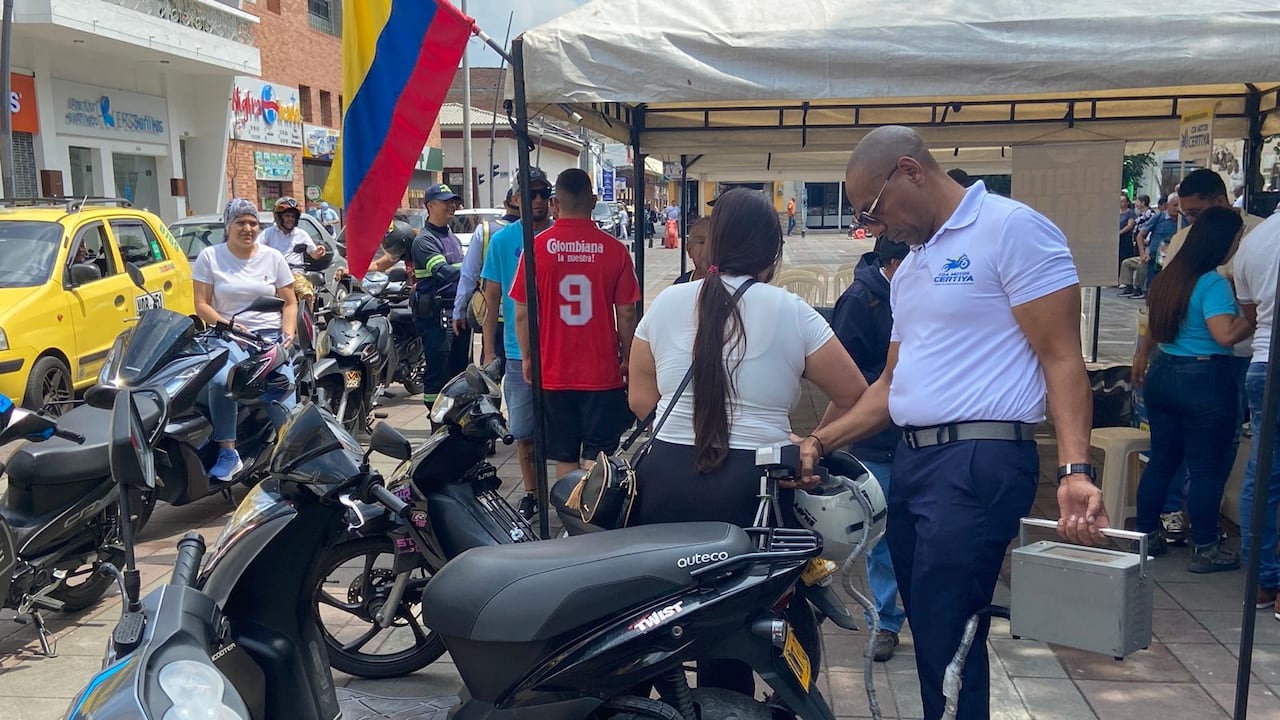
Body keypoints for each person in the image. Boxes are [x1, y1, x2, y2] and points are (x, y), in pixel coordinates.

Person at [803, 126, 1107, 720]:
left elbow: (1062, 357)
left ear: (911, 171)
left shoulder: (1011, 229)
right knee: (937, 628)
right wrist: (818, 440)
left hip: (979, 458)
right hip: (915, 461)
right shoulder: (912, 268)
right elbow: (890, 386)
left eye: (875, 209)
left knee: (946, 624)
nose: (877, 227)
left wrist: (1075, 469)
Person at [628, 187, 867, 696]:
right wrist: (813, 441)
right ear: (772, 251)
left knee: (655, 614)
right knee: (729, 625)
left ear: (712, 246)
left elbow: (640, 395)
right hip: (753, 485)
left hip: (665, 476)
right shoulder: (792, 311)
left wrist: (689, 429)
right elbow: (854, 394)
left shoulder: (668, 302)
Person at [1131, 207, 1254, 571]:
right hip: (1204, 378)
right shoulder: (1212, 283)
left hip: (1164, 373)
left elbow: (1154, 325)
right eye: (1236, 239)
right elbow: (1225, 334)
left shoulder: (1170, 277)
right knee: (1205, 469)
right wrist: (1254, 317)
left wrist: (1142, 356)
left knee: (1162, 461)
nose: (1237, 246)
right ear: (1223, 242)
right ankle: (1206, 546)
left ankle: (1147, 535)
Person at [509, 169, 640, 480]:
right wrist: (628, 358)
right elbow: (627, 314)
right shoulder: (615, 250)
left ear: (555, 203)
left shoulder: (537, 249)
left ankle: (567, 520)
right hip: (601, 372)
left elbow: (523, 313)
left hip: (554, 372)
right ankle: (591, 519)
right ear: (593, 201)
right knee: (598, 456)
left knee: (565, 455)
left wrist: (528, 356)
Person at [828, 234, 911, 662]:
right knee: (879, 535)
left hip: (920, 438)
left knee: (917, 531)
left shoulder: (921, 291)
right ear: (893, 263)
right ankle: (885, 620)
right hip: (877, 439)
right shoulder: (861, 300)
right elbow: (846, 376)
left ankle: (920, 612)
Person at [191, 198, 298, 481]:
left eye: (253, 223)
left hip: (268, 341)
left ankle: (292, 457)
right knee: (220, 380)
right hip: (228, 337)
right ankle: (228, 452)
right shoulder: (210, 257)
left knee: (283, 390)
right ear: (228, 226)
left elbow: (289, 301)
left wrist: (287, 333)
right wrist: (232, 326)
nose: (248, 228)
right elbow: (201, 305)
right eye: (241, 222)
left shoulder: (272, 257)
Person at [481, 168, 554, 520]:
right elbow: (491, 300)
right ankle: (531, 493)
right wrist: (488, 350)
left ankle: (569, 495)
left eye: (543, 193)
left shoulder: (561, 238)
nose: (537, 200)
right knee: (523, 433)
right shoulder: (501, 241)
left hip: (559, 350)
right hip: (516, 352)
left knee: (563, 435)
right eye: (530, 193)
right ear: (515, 199)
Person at [1234, 210, 1280, 612]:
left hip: (1263, 363)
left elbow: (1249, 315)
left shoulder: (1256, 240)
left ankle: (1262, 581)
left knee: (1262, 477)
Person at [453, 189, 519, 362]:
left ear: (506, 205)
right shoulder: (539, 231)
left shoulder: (487, 231)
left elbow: (468, 275)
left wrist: (458, 311)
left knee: (493, 376)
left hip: (494, 318)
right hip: (527, 318)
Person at [257, 197, 326, 306]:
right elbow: (255, 251)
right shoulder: (268, 233)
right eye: (287, 216)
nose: (290, 219)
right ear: (278, 217)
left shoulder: (301, 234)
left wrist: (319, 251)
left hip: (295, 275)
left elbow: (314, 254)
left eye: (293, 216)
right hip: (273, 276)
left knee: (307, 293)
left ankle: (307, 322)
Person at [1131, 194, 1180, 300]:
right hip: (1156, 259)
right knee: (1153, 289)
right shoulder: (1159, 217)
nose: (1177, 209)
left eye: (1180, 205)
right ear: (1167, 205)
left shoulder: (1183, 220)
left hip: (1175, 259)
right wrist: (1142, 254)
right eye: (1175, 205)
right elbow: (1140, 235)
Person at [673, 217, 710, 284]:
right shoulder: (680, 285)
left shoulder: (732, 287)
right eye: (701, 242)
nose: (707, 249)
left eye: (713, 242)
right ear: (689, 249)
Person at [1118, 194, 1138, 276]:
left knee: (1125, 257)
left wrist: (1120, 232)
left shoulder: (1130, 212)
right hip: (1116, 238)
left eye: (1123, 201)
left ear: (1127, 203)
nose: (1121, 203)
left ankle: (1124, 278)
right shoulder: (1116, 211)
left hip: (1125, 237)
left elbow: (1130, 225)